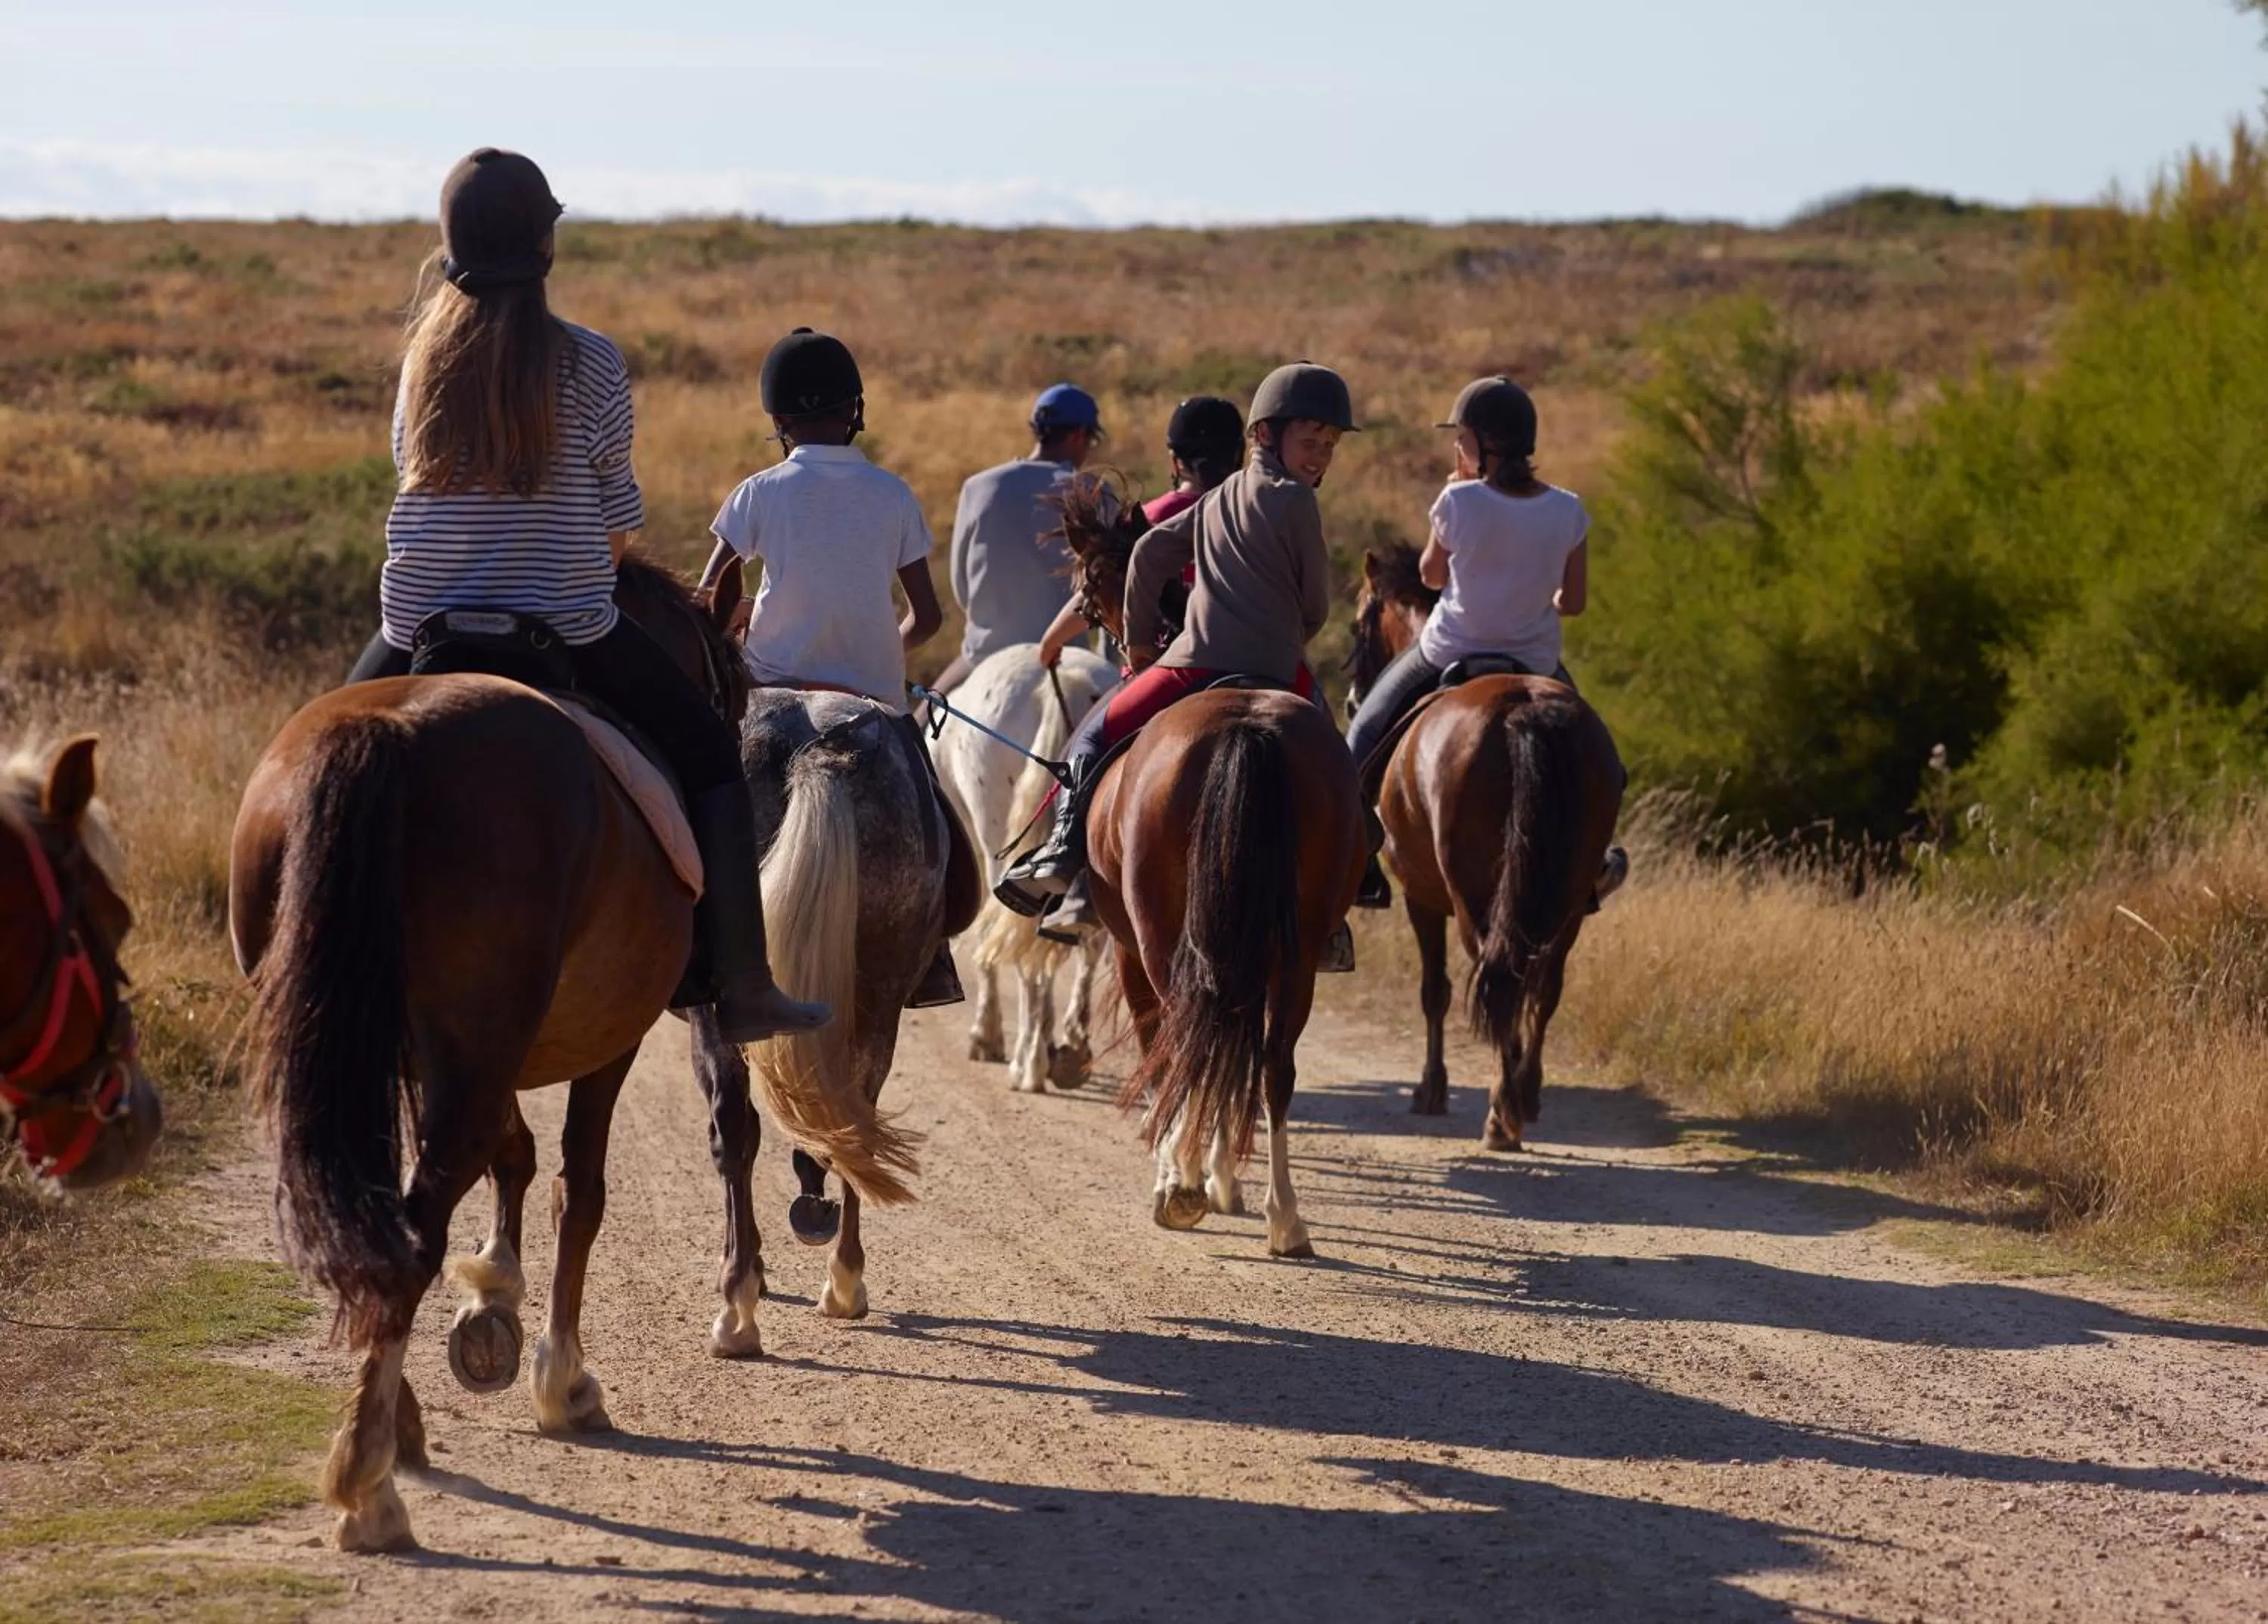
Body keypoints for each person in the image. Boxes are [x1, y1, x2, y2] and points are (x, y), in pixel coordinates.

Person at [343, 148, 828, 1045]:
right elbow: (613, 531)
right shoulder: (593, 364)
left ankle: (282, 966)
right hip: (562, 628)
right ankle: (746, 983)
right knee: (710, 757)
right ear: (545, 246)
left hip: (419, 628)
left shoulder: (419, 365)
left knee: (320, 759)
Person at [996, 363, 1359, 970]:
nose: (1320, 456)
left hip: (1189, 669)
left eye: (1328, 445)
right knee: (1338, 767)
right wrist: (1292, 633)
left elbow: (1150, 555)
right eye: (1311, 442)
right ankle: (1350, 882)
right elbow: (1317, 602)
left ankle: (1061, 852)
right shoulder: (1297, 500)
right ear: (1266, 436)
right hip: (1277, 673)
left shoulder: (1217, 499)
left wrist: (1139, 647)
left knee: (1093, 737)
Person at [698, 327, 968, 1008]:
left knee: (701, 794)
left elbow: (711, 604)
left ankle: (696, 935)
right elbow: (929, 616)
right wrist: (879, 654)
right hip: (875, 694)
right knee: (930, 811)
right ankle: (933, 953)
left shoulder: (758, 492)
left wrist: (746, 631)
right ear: (855, 410)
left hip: (767, 686)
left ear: (778, 420)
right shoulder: (892, 493)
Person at [1340, 375, 1628, 908]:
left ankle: (1350, 863)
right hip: (1536, 661)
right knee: (1604, 762)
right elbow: (1574, 603)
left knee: (1360, 739)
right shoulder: (1569, 509)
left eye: (1462, 438)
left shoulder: (1459, 499)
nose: (1456, 447)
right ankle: (1591, 864)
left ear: (1484, 446)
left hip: (1449, 650)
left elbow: (1429, 575)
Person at [1033, 394, 1244, 671]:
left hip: (1170, 666)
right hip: (1251, 661)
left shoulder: (1148, 521)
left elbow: (1100, 588)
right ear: (1239, 456)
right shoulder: (1252, 516)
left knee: (1105, 718)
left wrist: (1052, 640)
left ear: (1175, 462)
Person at [931, 383, 1105, 696]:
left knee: (916, 732)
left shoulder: (979, 487)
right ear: (1079, 435)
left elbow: (962, 587)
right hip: (1069, 657)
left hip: (986, 655)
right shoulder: (1091, 490)